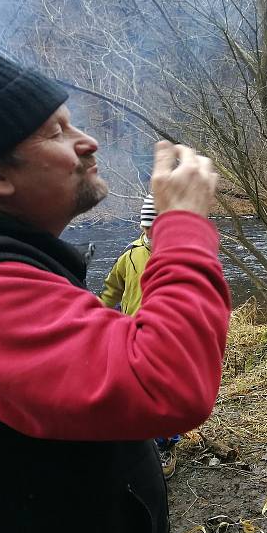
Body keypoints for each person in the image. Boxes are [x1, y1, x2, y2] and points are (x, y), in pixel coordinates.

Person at [0, 50, 231, 533]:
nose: (86, 141)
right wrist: (181, 227)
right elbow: (165, 382)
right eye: (55, 132)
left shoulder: (11, 262)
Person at [99, 193, 182, 477]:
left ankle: (165, 444)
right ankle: (142, 440)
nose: (152, 233)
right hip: (132, 334)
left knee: (165, 392)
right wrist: (98, 314)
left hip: (168, 337)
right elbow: (112, 291)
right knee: (135, 388)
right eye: (148, 227)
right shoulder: (130, 256)